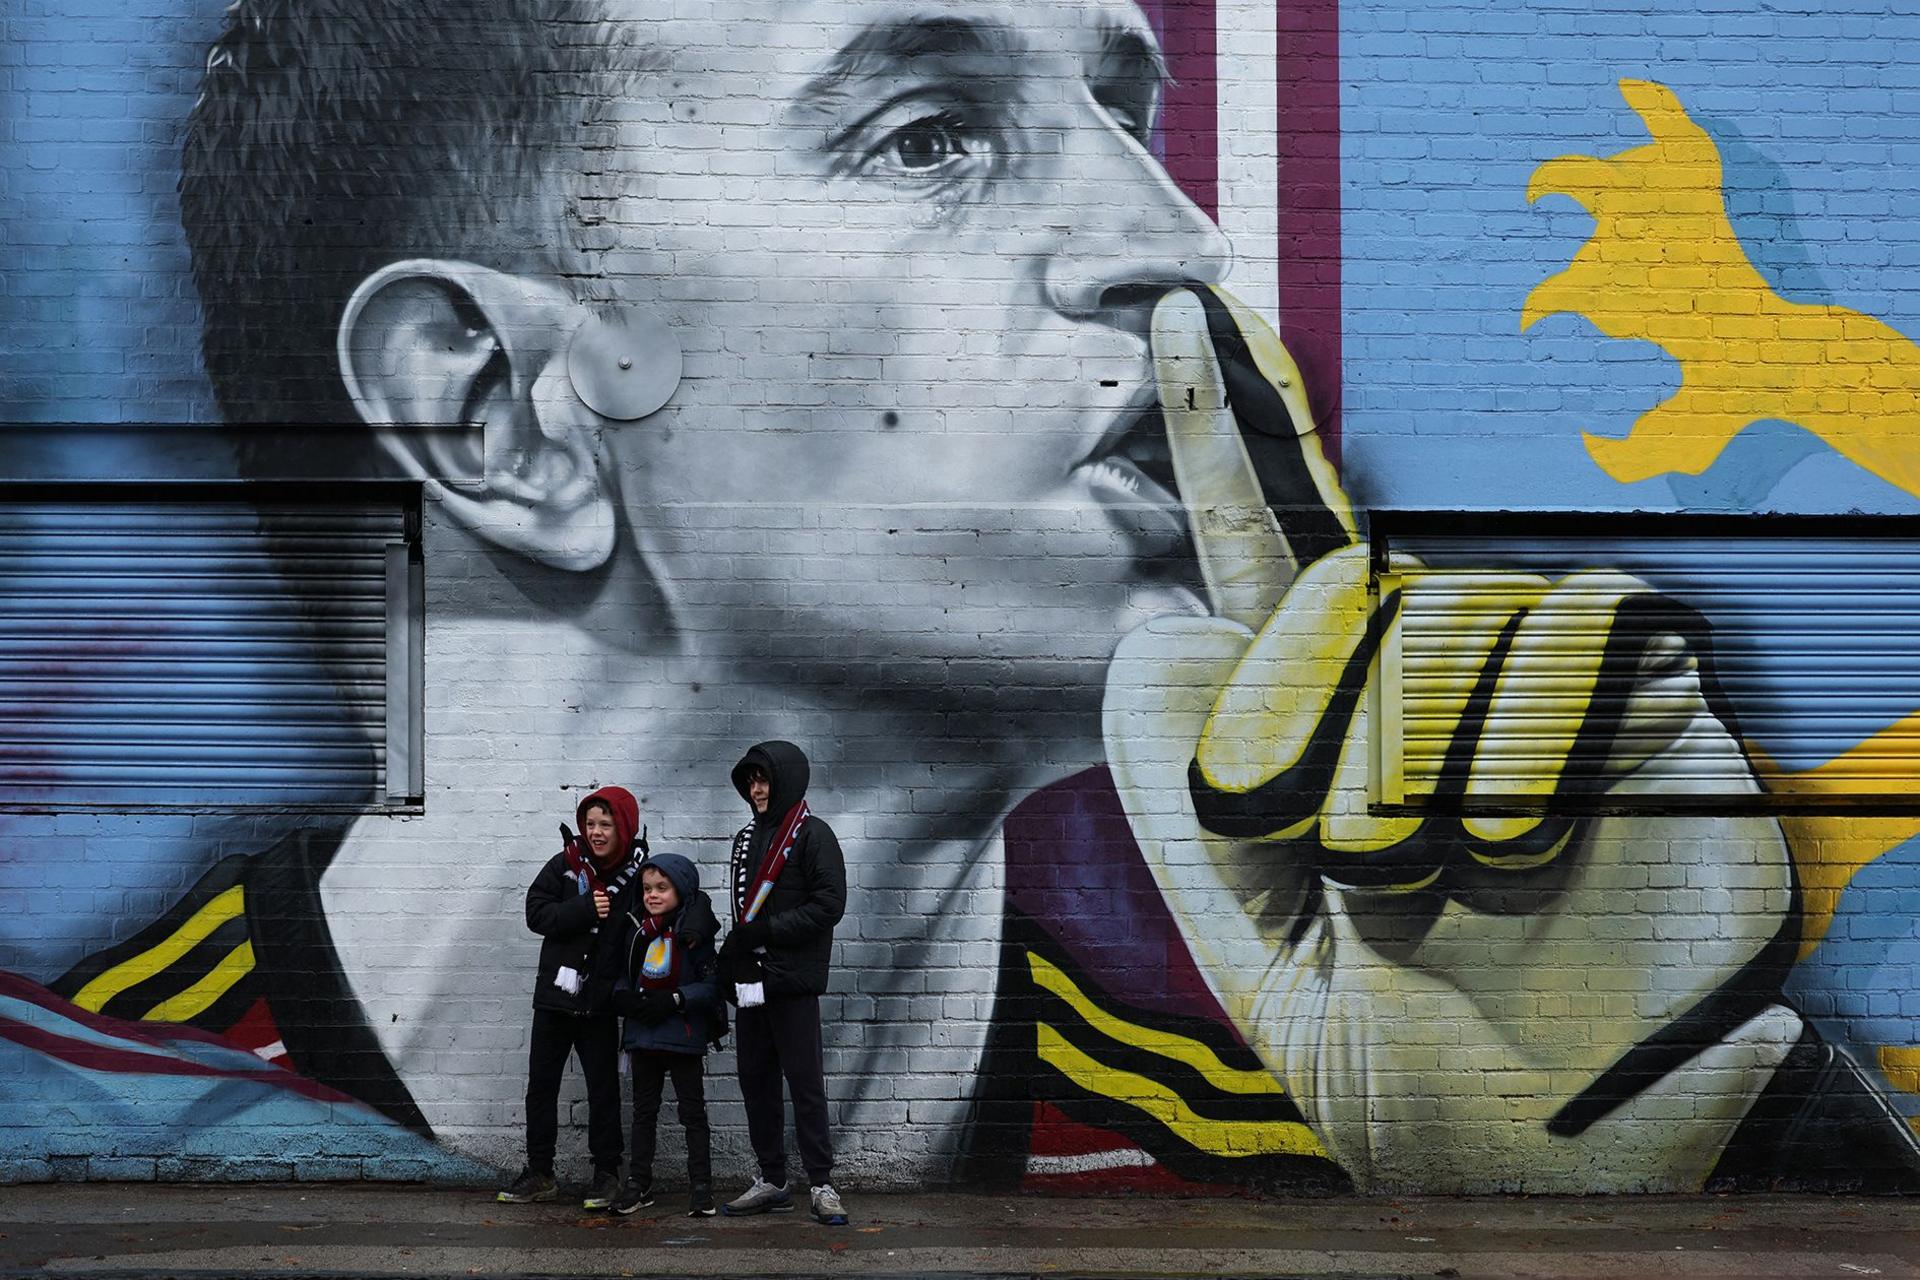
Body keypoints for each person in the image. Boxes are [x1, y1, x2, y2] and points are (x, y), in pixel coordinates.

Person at [41, 0, 1897, 1197]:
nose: (1180, 245)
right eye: (927, 130)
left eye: (1122, 105)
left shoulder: (1289, 1179)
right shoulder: (87, 1154)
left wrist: (1696, 1144)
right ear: (500, 410)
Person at [718, 743, 848, 1225]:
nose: (755, 789)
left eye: (765, 779)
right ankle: (772, 1178)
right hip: (752, 983)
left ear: (786, 780)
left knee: (806, 1085)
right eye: (750, 780)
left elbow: (829, 904)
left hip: (792, 983)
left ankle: (821, 1183)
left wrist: (769, 931)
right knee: (756, 1082)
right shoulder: (745, 838)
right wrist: (733, 956)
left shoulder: (814, 836)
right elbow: (743, 912)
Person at [499, 787, 646, 1209]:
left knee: (603, 1089)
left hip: (599, 1001)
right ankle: (541, 1172)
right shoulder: (566, 864)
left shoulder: (637, 876)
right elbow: (535, 911)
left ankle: (606, 1174)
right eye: (590, 824)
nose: (596, 833)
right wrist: (582, 909)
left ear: (624, 827)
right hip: (554, 997)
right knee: (541, 1087)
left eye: (606, 824)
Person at [609, 852, 723, 1217]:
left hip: (683, 1037)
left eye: (662, 888)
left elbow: (711, 986)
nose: (652, 895)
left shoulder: (694, 934)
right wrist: (625, 999)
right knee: (643, 1112)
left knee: (693, 1114)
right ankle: (638, 1183)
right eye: (646, 889)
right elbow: (623, 976)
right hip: (644, 1037)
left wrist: (676, 999)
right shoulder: (637, 931)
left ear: (681, 890)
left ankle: (701, 1187)